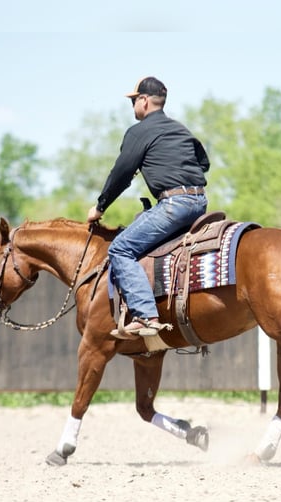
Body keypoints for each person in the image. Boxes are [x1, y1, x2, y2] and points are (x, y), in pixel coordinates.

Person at [87, 76, 210, 339]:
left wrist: (100, 207)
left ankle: (145, 316)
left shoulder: (139, 132)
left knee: (120, 248)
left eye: (133, 101)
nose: (132, 106)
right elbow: (203, 162)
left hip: (174, 204)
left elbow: (121, 172)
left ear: (144, 100)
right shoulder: (180, 129)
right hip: (199, 201)